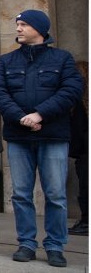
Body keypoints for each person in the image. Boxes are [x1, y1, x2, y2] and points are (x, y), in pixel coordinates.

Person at [0, 9, 82, 268]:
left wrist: (40, 114)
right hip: (19, 137)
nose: (18, 29)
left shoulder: (62, 59)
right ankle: (26, 244)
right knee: (21, 194)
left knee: (55, 195)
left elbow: (71, 91)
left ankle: (55, 246)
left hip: (53, 137)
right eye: (17, 24)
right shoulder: (7, 61)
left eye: (23, 25)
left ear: (40, 29)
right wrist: (22, 117)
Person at [69, 61, 89, 236]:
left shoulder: (82, 100)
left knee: (85, 186)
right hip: (81, 150)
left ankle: (86, 221)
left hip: (84, 150)